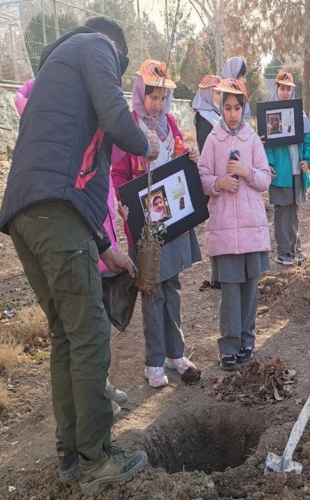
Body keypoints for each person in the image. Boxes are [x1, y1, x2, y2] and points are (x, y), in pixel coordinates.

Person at [0, 17, 154, 495]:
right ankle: (98, 458)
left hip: (27, 216)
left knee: (65, 335)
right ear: (118, 51)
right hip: (55, 215)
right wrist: (151, 143)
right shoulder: (96, 46)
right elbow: (116, 118)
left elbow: (67, 168)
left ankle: (70, 453)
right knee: (89, 337)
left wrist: (108, 250)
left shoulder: (55, 76)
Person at [13, 77, 129, 419]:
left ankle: (96, 396)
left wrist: (108, 243)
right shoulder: (57, 129)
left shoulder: (79, 127)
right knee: (84, 334)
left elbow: (98, 186)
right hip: (72, 244)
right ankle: (94, 437)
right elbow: (75, 194)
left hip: (92, 239)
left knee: (87, 330)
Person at [111, 59, 202, 388]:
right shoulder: (129, 128)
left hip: (173, 219)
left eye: (163, 97)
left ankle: (176, 353)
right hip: (147, 227)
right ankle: (154, 361)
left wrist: (189, 156)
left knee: (172, 287)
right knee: (152, 290)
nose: (158, 104)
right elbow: (119, 175)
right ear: (140, 93)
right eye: (153, 96)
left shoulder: (171, 124)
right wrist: (123, 206)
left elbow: (178, 157)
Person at [198, 78, 272, 371]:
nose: (232, 114)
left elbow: (265, 178)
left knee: (250, 290)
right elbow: (202, 175)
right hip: (225, 230)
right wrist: (219, 183)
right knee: (230, 290)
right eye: (227, 108)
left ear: (244, 109)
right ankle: (228, 346)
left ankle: (246, 341)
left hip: (251, 228)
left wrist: (246, 171)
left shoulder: (252, 140)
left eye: (236, 108)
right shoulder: (213, 140)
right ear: (221, 108)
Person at [265, 71, 310, 266]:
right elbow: (267, 145)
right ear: (276, 88)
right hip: (281, 174)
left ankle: (295, 249)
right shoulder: (269, 115)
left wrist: (307, 160)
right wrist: (269, 164)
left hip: (297, 173)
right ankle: (284, 252)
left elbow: (309, 141)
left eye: (288, 89)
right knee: (281, 213)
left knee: (293, 212)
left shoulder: (300, 114)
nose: (285, 92)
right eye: (282, 88)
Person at [191, 74, 224, 291]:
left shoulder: (215, 114)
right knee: (216, 228)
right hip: (213, 181)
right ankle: (217, 276)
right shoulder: (204, 119)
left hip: (222, 178)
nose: (219, 96)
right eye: (216, 91)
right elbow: (207, 153)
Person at [192, 74, 222, 153]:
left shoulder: (216, 113)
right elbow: (204, 150)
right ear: (207, 94)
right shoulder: (203, 118)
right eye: (218, 93)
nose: (222, 97)